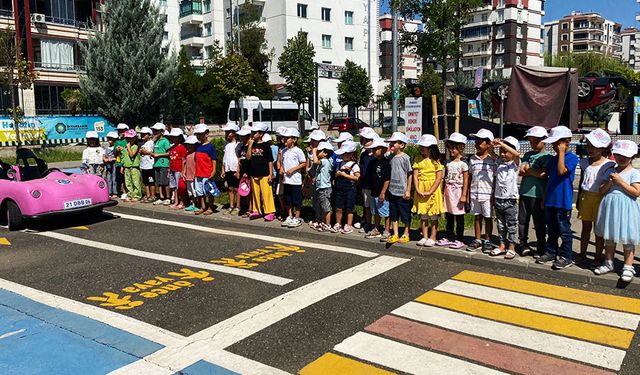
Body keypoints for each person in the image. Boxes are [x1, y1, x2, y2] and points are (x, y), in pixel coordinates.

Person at [594, 140, 640, 282]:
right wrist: (610, 182)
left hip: (627, 207)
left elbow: (636, 192)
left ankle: (628, 266)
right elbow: (601, 190)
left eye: (625, 155)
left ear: (632, 156)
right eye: (619, 154)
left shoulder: (634, 172)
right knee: (610, 236)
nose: (621, 158)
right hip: (610, 206)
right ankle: (609, 262)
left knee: (628, 237)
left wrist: (620, 182)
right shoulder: (610, 171)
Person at [537, 126, 579, 270]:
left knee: (564, 230)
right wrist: (544, 198)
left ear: (566, 142)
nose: (554, 147)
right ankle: (551, 251)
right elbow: (549, 178)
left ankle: (566, 256)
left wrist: (561, 153)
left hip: (563, 201)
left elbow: (562, 172)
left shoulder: (572, 158)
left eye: (557, 143)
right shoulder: (553, 159)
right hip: (550, 199)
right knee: (552, 229)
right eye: (554, 144)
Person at [577, 128, 614, 264]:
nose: (590, 149)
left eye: (594, 146)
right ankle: (582, 253)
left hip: (600, 198)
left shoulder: (608, 164)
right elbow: (582, 181)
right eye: (588, 146)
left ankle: (598, 255)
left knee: (599, 230)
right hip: (585, 197)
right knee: (585, 227)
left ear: (603, 148)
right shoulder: (584, 162)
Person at [518, 126, 552, 257]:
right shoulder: (527, 155)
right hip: (524, 192)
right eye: (531, 141)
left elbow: (543, 174)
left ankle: (541, 246)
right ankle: (522, 244)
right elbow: (521, 171)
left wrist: (529, 170)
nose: (532, 144)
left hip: (538, 194)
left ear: (544, 141)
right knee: (522, 221)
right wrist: (533, 172)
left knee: (539, 223)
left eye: (535, 141)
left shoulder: (548, 156)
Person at [490, 136, 521, 260]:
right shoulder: (498, 162)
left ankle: (512, 247)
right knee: (500, 225)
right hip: (498, 198)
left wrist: (503, 144)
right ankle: (502, 245)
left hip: (511, 200)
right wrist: (495, 144)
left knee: (511, 225)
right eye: (501, 152)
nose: (503, 154)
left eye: (505, 152)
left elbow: (517, 154)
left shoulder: (515, 164)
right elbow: (490, 152)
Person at [467, 129, 497, 252]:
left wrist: (494, 194)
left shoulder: (494, 160)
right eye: (476, 141)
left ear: (489, 144)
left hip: (488, 194)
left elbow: (496, 178)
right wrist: (468, 193)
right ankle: (478, 239)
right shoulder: (472, 159)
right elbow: (469, 177)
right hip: (475, 192)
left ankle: (488, 240)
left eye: (480, 142)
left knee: (488, 217)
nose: (476, 144)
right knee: (477, 217)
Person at [437, 132, 468, 250]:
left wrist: (464, 195)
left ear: (460, 148)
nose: (451, 151)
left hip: (458, 192)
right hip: (448, 191)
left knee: (459, 216)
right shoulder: (448, 163)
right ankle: (449, 236)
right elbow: (445, 178)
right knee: (449, 214)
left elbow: (466, 181)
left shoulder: (463, 164)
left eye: (454, 148)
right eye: (450, 148)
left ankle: (459, 238)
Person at [385, 132, 413, 244]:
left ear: (401, 145)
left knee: (405, 214)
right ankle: (395, 234)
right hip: (392, 191)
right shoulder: (390, 157)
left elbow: (409, 174)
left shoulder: (406, 158)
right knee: (393, 214)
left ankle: (406, 233)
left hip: (402, 191)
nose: (391, 144)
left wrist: (408, 190)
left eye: (394, 142)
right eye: (391, 142)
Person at [247, 122, 276, 221]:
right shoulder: (251, 144)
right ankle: (256, 210)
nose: (252, 134)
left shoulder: (266, 145)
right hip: (254, 173)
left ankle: (269, 211)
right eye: (252, 132)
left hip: (264, 173)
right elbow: (248, 157)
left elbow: (270, 160)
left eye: (254, 133)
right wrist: (250, 146)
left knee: (266, 193)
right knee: (255, 193)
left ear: (261, 134)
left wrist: (271, 173)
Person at [364, 137, 391, 241]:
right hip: (374, 191)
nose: (373, 151)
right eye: (373, 149)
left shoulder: (385, 163)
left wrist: (383, 192)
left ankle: (387, 230)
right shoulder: (372, 162)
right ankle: (376, 228)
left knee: (385, 212)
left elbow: (387, 179)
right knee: (375, 212)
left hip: (382, 192)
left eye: (376, 149)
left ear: (384, 150)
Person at [280, 128, 307, 228]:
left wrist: (293, 169)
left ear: (294, 140)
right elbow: (282, 163)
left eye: (287, 138)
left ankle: (297, 217)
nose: (285, 140)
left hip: (295, 180)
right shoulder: (284, 151)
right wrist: (282, 169)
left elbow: (303, 163)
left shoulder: (298, 151)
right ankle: (290, 216)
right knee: (288, 199)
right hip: (286, 180)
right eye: (284, 138)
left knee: (297, 200)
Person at [332, 140, 361, 234]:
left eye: (343, 154)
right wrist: (337, 174)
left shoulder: (354, 165)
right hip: (340, 189)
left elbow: (357, 178)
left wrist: (345, 175)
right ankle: (338, 223)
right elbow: (337, 174)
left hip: (350, 189)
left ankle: (348, 224)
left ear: (350, 154)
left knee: (349, 208)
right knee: (338, 207)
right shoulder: (340, 164)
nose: (341, 156)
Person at [193, 124, 218, 215]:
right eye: (197, 134)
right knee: (200, 192)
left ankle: (211, 207)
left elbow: (214, 159)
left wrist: (214, 170)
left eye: (200, 134)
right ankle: (203, 207)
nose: (198, 136)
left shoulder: (210, 147)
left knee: (209, 191)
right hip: (198, 173)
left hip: (207, 173)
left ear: (206, 134)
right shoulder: (197, 146)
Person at [357, 127, 379, 234]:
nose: (364, 142)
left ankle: (376, 225)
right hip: (365, 184)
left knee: (375, 207)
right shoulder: (363, 154)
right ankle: (368, 223)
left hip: (375, 185)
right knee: (366, 206)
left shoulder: (377, 155)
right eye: (363, 140)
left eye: (367, 140)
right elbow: (361, 167)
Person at [311, 141, 334, 231]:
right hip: (321, 187)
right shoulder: (324, 162)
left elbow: (315, 161)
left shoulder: (324, 161)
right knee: (322, 206)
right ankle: (323, 222)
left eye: (319, 151)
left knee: (326, 207)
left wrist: (313, 151)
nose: (317, 153)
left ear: (325, 153)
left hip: (325, 188)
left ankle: (327, 224)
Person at [222, 122, 241, 214]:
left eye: (229, 132)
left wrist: (238, 170)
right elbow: (224, 157)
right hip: (228, 168)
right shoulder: (226, 144)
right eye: (226, 132)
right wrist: (223, 169)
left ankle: (238, 206)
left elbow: (239, 158)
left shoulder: (238, 144)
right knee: (230, 188)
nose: (227, 134)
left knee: (237, 188)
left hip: (235, 168)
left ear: (234, 133)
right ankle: (231, 205)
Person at [151, 123, 171, 205]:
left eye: (157, 130)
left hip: (164, 164)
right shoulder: (155, 142)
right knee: (158, 182)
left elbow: (169, 152)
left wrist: (159, 155)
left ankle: (168, 197)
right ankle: (161, 196)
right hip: (157, 164)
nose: (154, 132)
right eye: (154, 130)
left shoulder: (165, 141)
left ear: (162, 132)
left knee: (165, 182)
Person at [236, 125, 253, 216]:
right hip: (242, 172)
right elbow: (239, 160)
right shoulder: (241, 147)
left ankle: (250, 208)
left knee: (250, 192)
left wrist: (250, 144)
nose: (242, 137)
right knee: (244, 191)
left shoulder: (250, 146)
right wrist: (238, 171)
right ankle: (246, 206)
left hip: (249, 172)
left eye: (244, 136)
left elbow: (249, 158)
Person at [168, 128, 187, 209]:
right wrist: (169, 169)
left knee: (180, 187)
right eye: (171, 137)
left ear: (179, 138)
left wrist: (183, 171)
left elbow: (184, 160)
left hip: (179, 170)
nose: (172, 139)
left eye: (174, 137)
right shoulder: (172, 147)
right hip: (172, 169)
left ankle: (182, 202)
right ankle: (176, 201)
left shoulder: (182, 147)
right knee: (174, 187)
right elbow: (170, 159)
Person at [122, 129, 142, 202]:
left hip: (134, 167)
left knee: (136, 182)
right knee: (128, 182)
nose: (129, 140)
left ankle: (137, 195)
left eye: (130, 138)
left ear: (134, 138)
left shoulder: (135, 146)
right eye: (127, 138)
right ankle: (130, 194)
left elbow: (132, 155)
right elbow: (124, 157)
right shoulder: (125, 147)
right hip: (127, 167)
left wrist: (128, 147)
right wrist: (122, 166)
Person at [138, 127, 156, 203]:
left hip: (150, 166)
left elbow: (153, 153)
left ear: (149, 135)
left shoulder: (152, 143)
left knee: (151, 181)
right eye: (142, 134)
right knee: (145, 182)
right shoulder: (142, 143)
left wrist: (147, 152)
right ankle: (147, 195)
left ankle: (153, 195)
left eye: (144, 134)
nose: (143, 136)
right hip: (143, 165)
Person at [182, 135, 199, 212]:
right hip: (188, 175)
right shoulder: (187, 154)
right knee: (190, 191)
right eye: (188, 144)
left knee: (195, 191)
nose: (189, 146)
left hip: (194, 175)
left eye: (191, 145)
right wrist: (183, 172)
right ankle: (192, 204)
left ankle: (197, 205)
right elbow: (185, 164)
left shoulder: (196, 154)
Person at [113, 123, 129, 199]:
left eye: (122, 131)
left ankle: (129, 191)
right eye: (119, 131)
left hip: (127, 163)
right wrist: (116, 150)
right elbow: (114, 154)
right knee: (120, 179)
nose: (120, 132)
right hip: (118, 163)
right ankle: (123, 192)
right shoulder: (116, 141)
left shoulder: (128, 141)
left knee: (127, 178)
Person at [103, 131, 118, 199]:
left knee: (114, 177)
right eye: (108, 139)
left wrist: (113, 159)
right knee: (109, 177)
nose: (109, 141)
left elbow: (118, 156)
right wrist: (105, 159)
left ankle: (115, 192)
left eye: (111, 139)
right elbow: (104, 155)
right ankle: (109, 192)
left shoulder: (116, 147)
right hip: (108, 164)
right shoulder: (106, 148)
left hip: (114, 163)